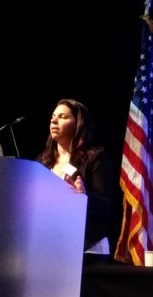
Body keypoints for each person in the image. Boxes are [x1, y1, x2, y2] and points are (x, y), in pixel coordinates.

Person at [36, 98, 114, 255]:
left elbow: (106, 207)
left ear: (78, 124)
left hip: (87, 247)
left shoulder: (94, 158)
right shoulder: (41, 162)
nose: (54, 120)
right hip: (51, 245)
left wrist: (83, 196)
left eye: (63, 117)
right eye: (53, 116)